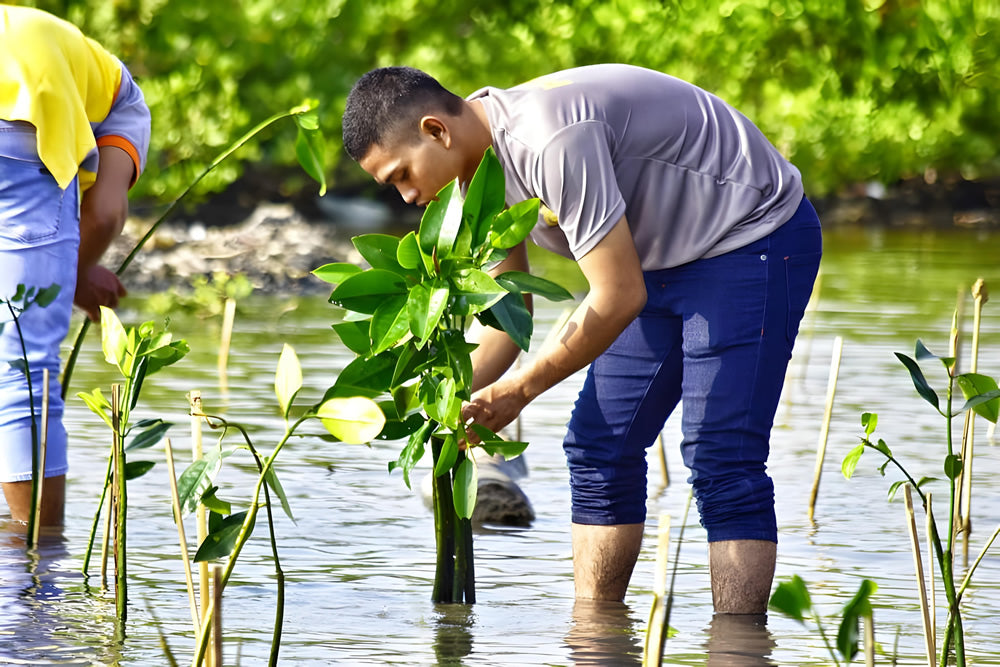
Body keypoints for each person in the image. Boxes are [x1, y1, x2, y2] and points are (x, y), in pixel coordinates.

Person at [342, 64, 822, 613]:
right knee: (598, 448)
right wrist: (444, 404)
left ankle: (737, 648)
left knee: (721, 457)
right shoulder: (471, 170)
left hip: (749, 234)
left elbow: (617, 295)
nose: (406, 197)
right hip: (654, 259)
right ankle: (596, 638)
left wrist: (519, 391)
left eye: (401, 175)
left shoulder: (548, 141)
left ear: (435, 131)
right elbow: (509, 312)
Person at [1, 5, 151, 526]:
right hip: (20, 123)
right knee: (22, 366)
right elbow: (107, 210)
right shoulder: (123, 102)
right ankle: (32, 571)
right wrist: (74, 275)